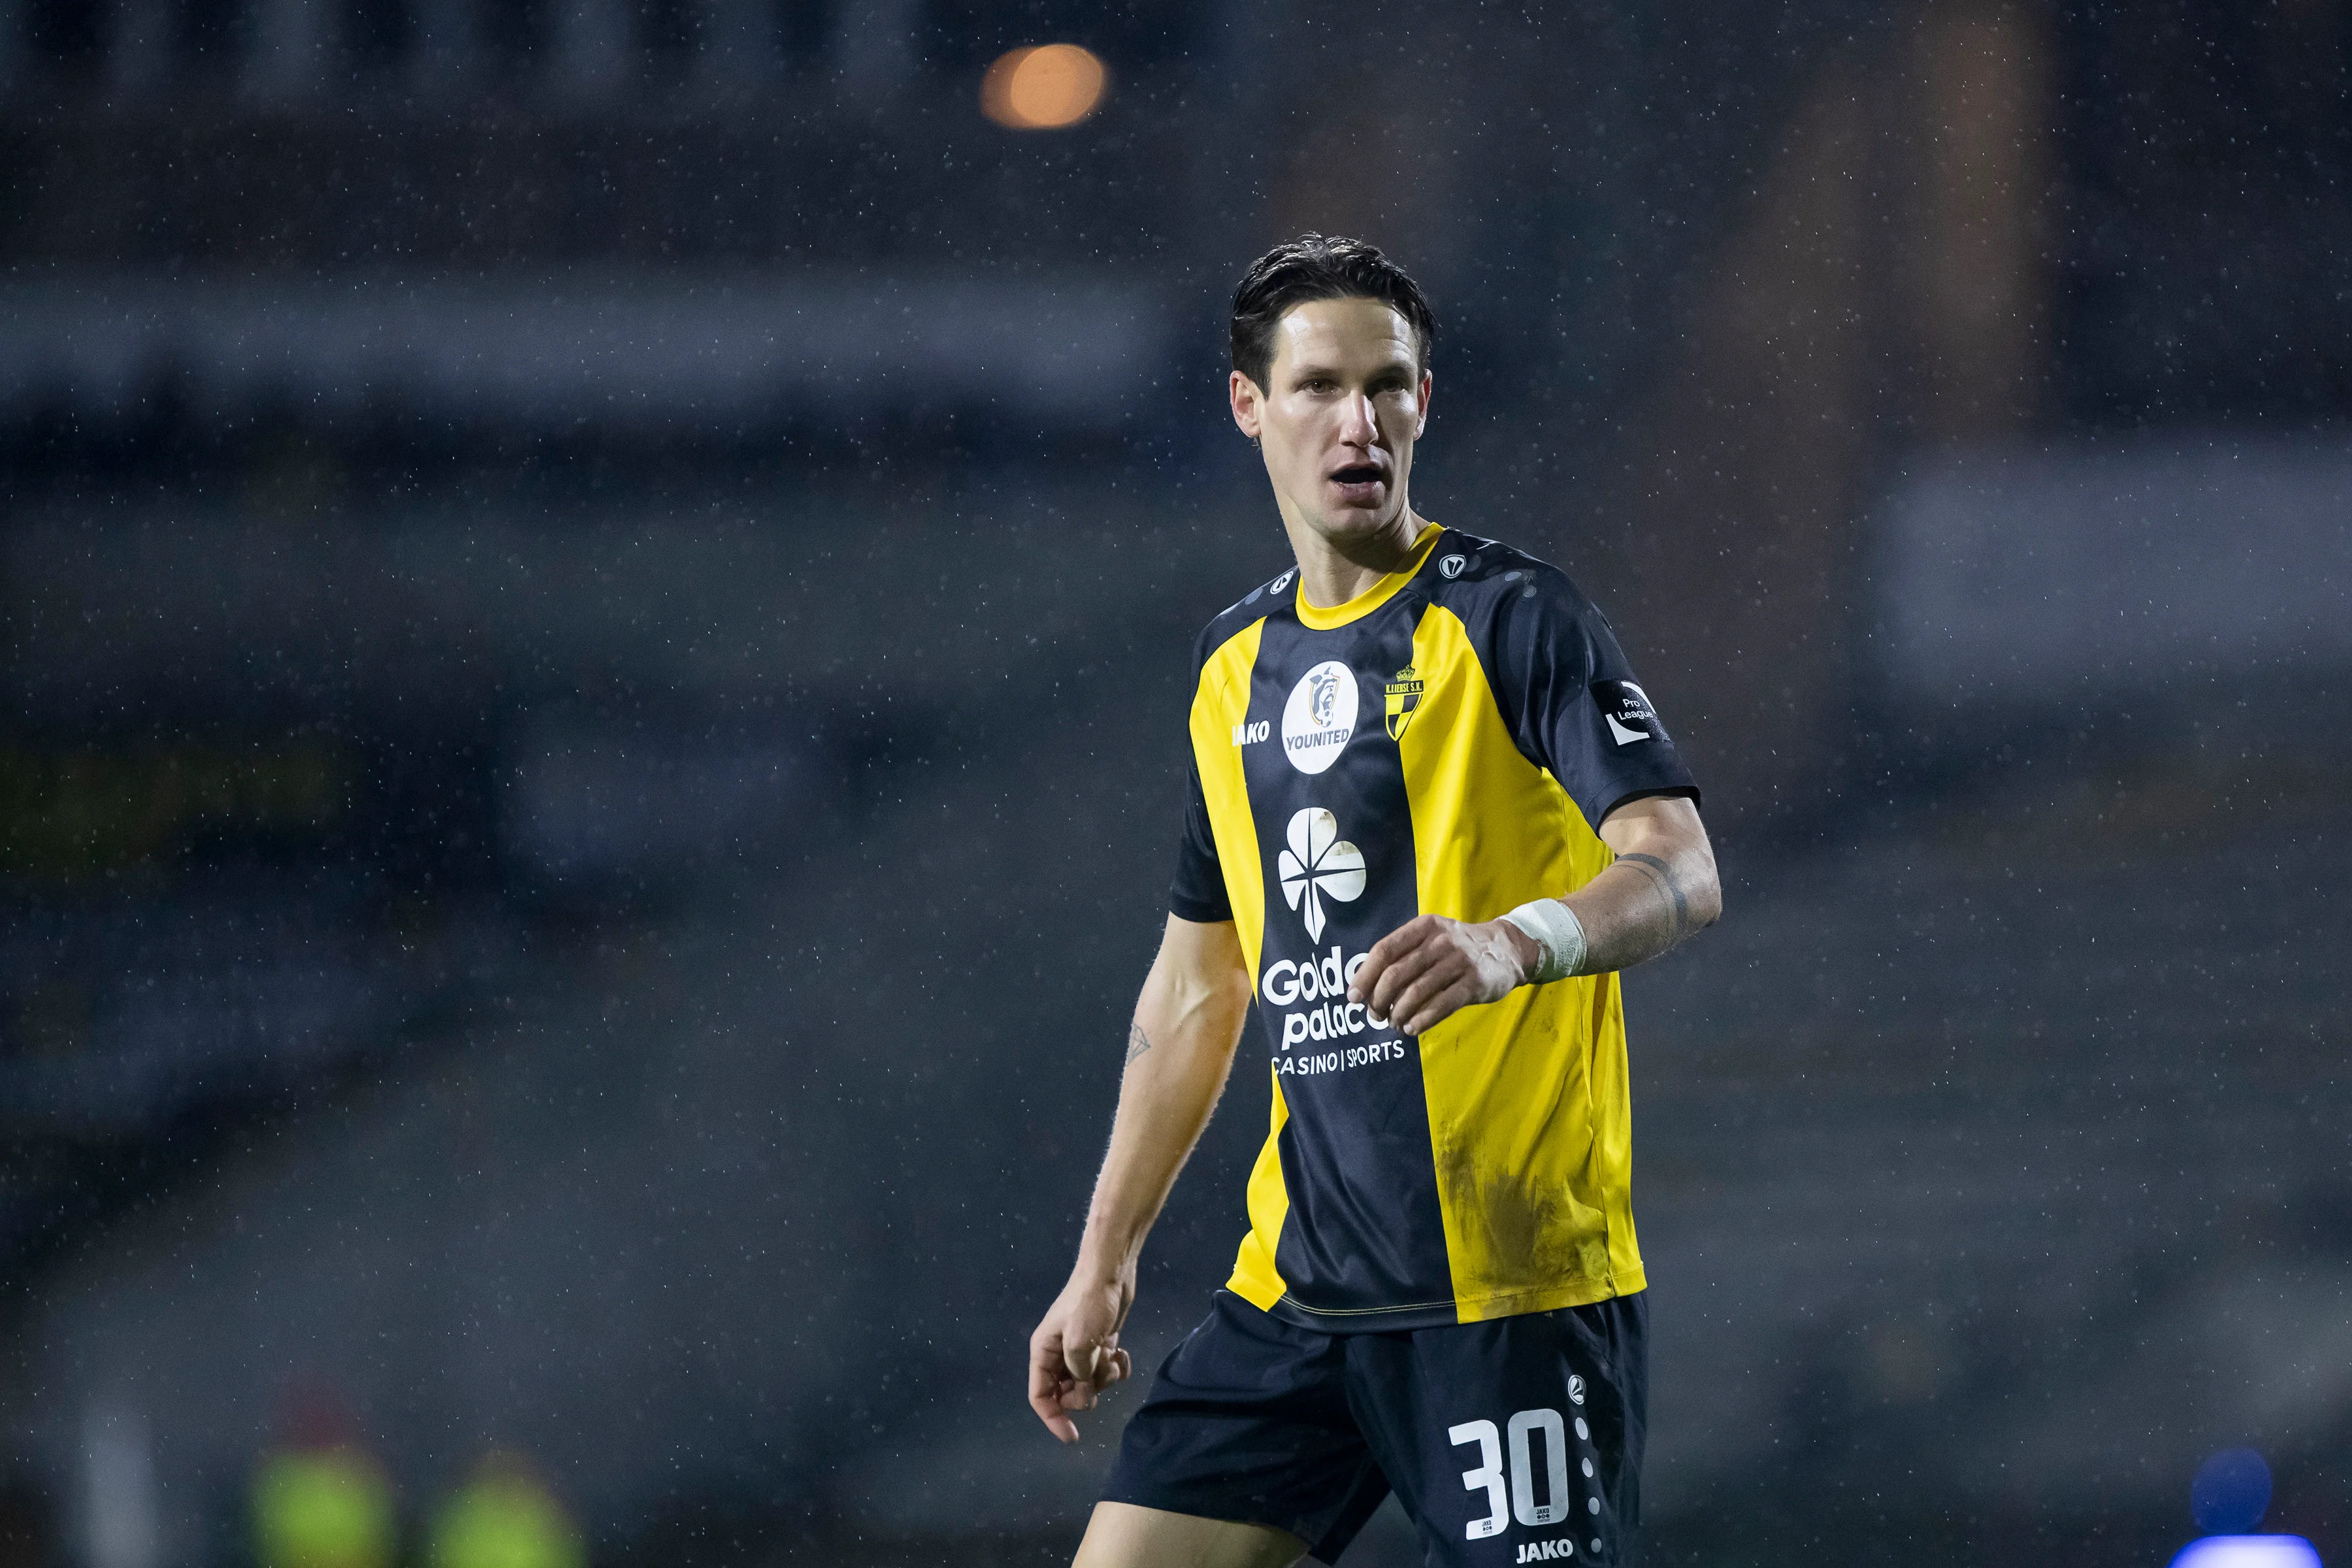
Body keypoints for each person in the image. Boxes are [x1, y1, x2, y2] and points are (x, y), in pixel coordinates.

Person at [1025, 234, 1722, 1568]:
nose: (1362, 422)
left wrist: (1515, 943)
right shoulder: (1229, 669)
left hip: (1507, 1297)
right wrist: (1105, 1259)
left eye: (1390, 386)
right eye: (1321, 387)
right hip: (1297, 1297)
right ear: (1249, 407)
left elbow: (1680, 865)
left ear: (1425, 403)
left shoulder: (1517, 619)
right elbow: (1197, 982)